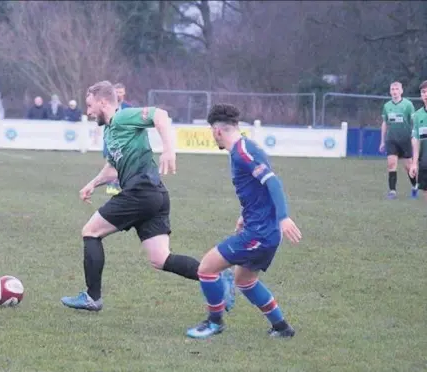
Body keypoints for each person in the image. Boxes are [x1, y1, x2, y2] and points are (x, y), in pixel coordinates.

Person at [61, 81, 235, 312]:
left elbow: (159, 115)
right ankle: (217, 277)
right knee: (161, 259)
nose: (88, 111)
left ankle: (93, 298)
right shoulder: (111, 130)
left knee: (90, 232)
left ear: (103, 102)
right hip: (155, 195)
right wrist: (92, 184)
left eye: (90, 105)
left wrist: (169, 149)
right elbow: (113, 168)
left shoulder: (123, 117)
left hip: (141, 191)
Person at [186, 103, 301, 340]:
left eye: (211, 131)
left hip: (260, 234)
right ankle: (282, 327)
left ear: (217, 131)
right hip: (259, 228)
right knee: (244, 280)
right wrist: (245, 214)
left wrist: (284, 217)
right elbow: (257, 188)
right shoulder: (244, 148)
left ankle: (214, 322)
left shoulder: (243, 153)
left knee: (206, 269)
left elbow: (273, 182)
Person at [379, 81, 418, 199]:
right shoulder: (387, 106)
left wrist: (415, 136)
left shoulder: (408, 105)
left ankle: (415, 186)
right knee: (391, 164)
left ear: (401, 91)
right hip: (391, 139)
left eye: (396, 89)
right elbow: (385, 123)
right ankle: (392, 191)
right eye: (392, 89)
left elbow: (414, 121)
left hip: (405, 140)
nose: (394, 91)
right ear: (390, 91)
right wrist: (382, 141)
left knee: (408, 167)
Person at [408, 79, 427, 243]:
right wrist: (414, 163)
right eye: (424, 92)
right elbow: (416, 140)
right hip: (425, 162)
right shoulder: (417, 116)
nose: (426, 95)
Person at [103, 83, 132, 196]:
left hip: (125, 141)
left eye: (120, 92)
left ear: (124, 93)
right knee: (110, 164)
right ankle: (111, 185)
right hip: (111, 139)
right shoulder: (107, 106)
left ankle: (121, 185)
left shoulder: (129, 108)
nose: (118, 94)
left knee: (124, 165)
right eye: (116, 92)